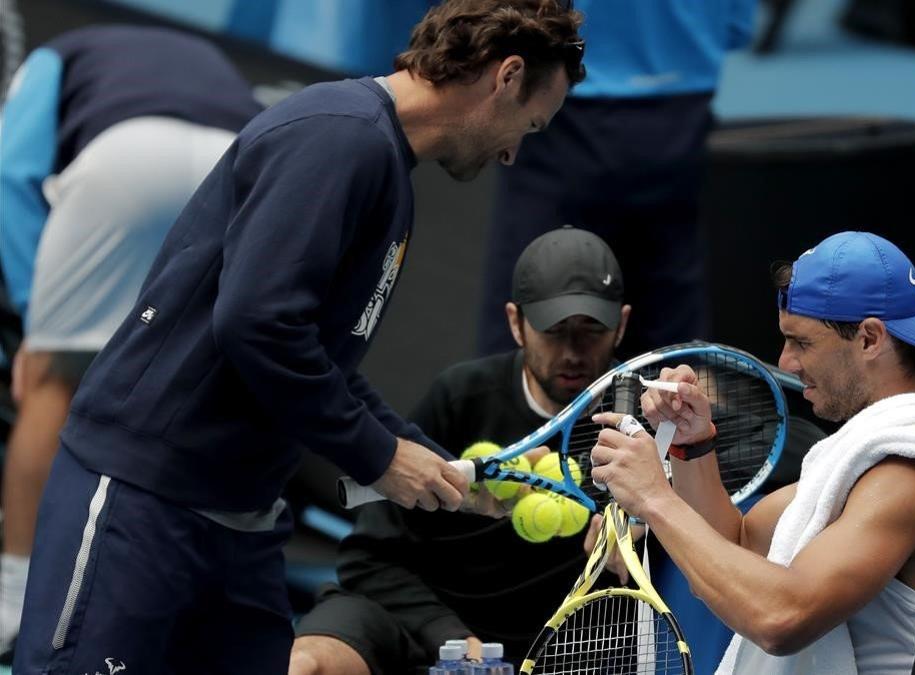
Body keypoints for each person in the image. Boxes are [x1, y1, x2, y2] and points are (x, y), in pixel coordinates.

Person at [13, 2, 585, 672]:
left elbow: (324, 360)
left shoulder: (384, 167)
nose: (516, 151)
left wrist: (449, 474)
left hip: (239, 522)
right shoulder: (340, 138)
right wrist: (379, 455)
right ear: (507, 76)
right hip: (143, 505)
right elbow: (257, 323)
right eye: (531, 124)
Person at [589, 232, 915, 674]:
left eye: (802, 342)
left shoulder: (906, 480)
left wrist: (656, 498)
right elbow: (731, 548)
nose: (786, 362)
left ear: (870, 339)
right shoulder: (866, 457)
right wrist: (693, 446)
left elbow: (779, 618)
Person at [0, 24, 263, 653]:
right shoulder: (209, 57)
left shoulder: (51, 55)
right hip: (241, 168)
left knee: (55, 381)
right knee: (216, 389)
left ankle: (12, 597)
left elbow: (14, 173)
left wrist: (36, 323)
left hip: (128, 161)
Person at [288, 226, 630, 674]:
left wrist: (650, 516)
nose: (572, 352)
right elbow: (368, 559)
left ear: (621, 325)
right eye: (554, 330)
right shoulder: (461, 397)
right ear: (515, 322)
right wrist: (455, 643)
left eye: (592, 330)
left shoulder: (648, 417)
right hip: (428, 628)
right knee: (308, 664)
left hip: (568, 649)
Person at [477, 0, 758, 359]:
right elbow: (737, 27)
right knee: (672, 343)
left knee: (527, 325)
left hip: (558, 105)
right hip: (680, 107)